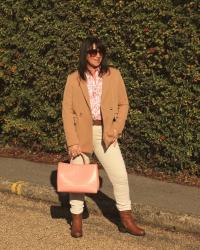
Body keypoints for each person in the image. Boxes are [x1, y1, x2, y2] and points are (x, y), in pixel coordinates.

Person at [62, 36, 145, 238]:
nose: (97, 55)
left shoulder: (113, 75)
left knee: (120, 176)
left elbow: (124, 104)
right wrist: (72, 141)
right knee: (77, 179)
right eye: (92, 52)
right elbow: (66, 110)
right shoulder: (73, 78)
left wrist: (116, 128)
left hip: (106, 132)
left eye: (100, 51)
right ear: (85, 54)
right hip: (82, 133)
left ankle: (126, 219)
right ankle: (77, 220)